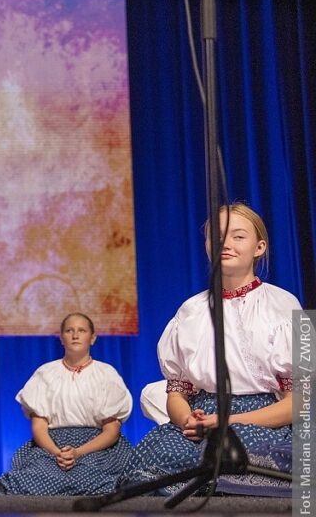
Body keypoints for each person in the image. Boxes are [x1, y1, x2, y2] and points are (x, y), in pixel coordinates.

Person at [120, 203, 301, 495]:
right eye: (216, 237)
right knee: (150, 462)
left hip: (262, 421)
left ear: (259, 247)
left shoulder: (284, 305)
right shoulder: (190, 311)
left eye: (238, 236)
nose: (225, 244)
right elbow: (177, 393)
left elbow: (298, 402)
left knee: (239, 460)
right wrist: (188, 420)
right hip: (201, 420)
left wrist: (228, 421)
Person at [0, 313, 132, 495]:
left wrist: (78, 453)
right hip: (53, 445)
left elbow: (112, 431)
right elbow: (39, 427)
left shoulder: (107, 374)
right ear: (61, 338)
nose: (75, 335)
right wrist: (58, 453)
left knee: (92, 473)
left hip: (95, 446)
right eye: (69, 330)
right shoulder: (46, 373)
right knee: (38, 473)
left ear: (92, 338)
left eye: (81, 330)